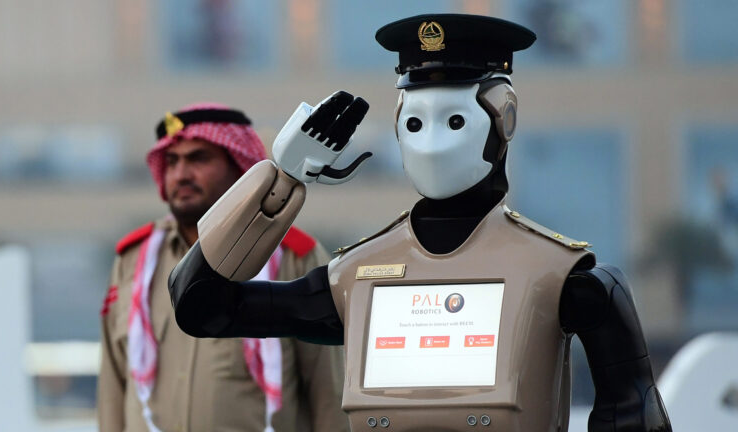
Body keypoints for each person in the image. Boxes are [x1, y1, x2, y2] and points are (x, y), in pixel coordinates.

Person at [168, 14, 672, 432]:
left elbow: (633, 416)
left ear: (503, 119)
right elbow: (200, 306)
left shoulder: (562, 275)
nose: (430, 144)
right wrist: (280, 180)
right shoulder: (356, 276)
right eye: (414, 123)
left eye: (454, 121)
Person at [97, 103, 349, 432]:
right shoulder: (133, 260)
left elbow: (329, 393)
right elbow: (113, 389)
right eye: (172, 161)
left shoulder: (295, 256)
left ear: (240, 169)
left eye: (198, 159)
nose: (181, 174)